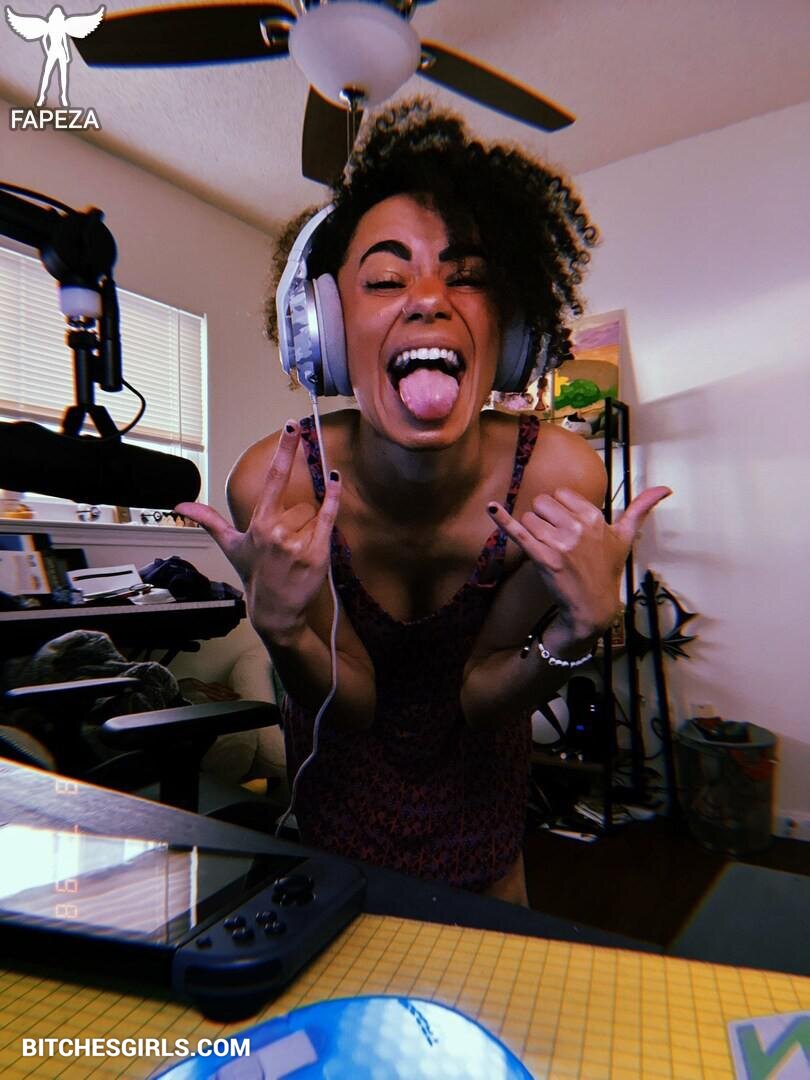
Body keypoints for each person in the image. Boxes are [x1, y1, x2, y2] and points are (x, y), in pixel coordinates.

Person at [177, 100, 669, 905]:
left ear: (511, 331)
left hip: (484, 831)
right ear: (327, 332)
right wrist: (283, 631)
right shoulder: (281, 480)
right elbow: (351, 703)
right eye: (385, 278)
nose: (430, 299)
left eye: (466, 277)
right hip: (333, 833)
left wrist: (578, 631)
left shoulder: (555, 477)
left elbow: (480, 694)